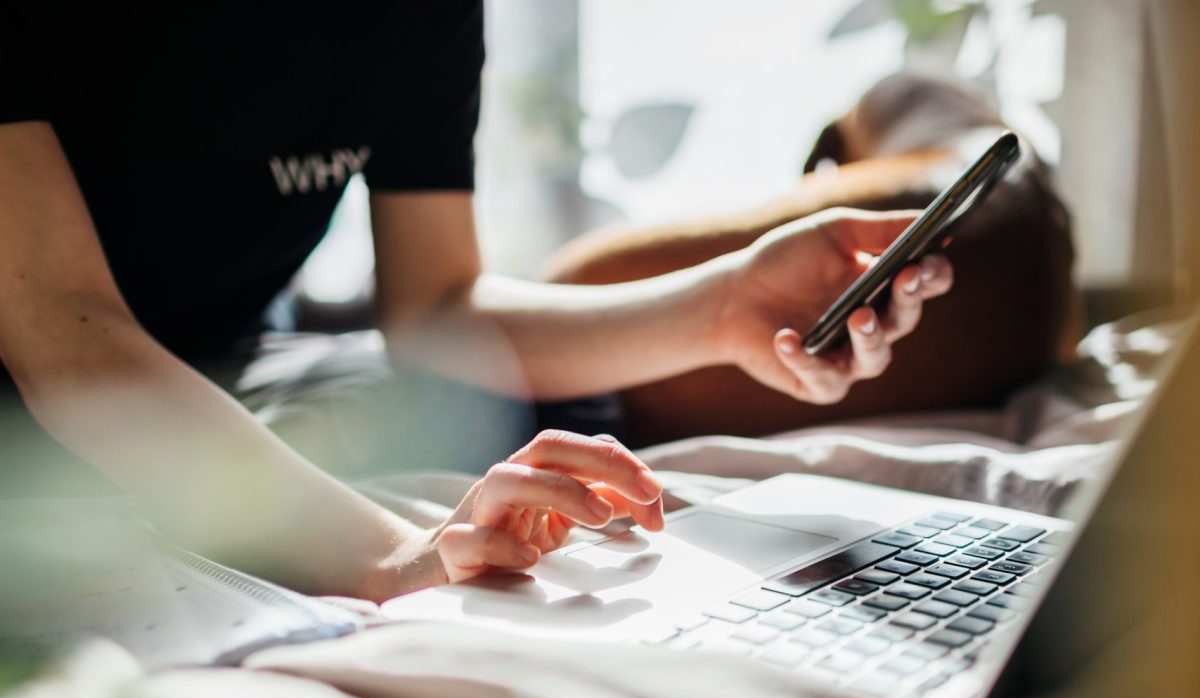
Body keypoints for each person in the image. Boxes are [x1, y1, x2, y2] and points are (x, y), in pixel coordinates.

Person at [0, 2, 951, 602]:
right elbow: (69, 337)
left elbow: (437, 311)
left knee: (524, 412)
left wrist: (724, 304)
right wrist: (395, 560)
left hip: (218, 358)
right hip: (50, 371)